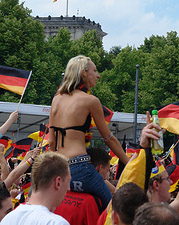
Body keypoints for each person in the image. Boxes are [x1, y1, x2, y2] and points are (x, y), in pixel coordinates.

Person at [49, 55, 129, 210]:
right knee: (113, 211)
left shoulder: (56, 99)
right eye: (95, 70)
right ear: (83, 73)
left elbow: (52, 142)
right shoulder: (90, 100)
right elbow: (109, 138)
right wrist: (129, 162)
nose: (98, 75)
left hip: (58, 167)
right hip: (80, 168)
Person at [1, 152, 71, 225]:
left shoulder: (8, 219)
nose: (68, 188)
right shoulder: (55, 222)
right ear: (58, 182)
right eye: (68, 181)